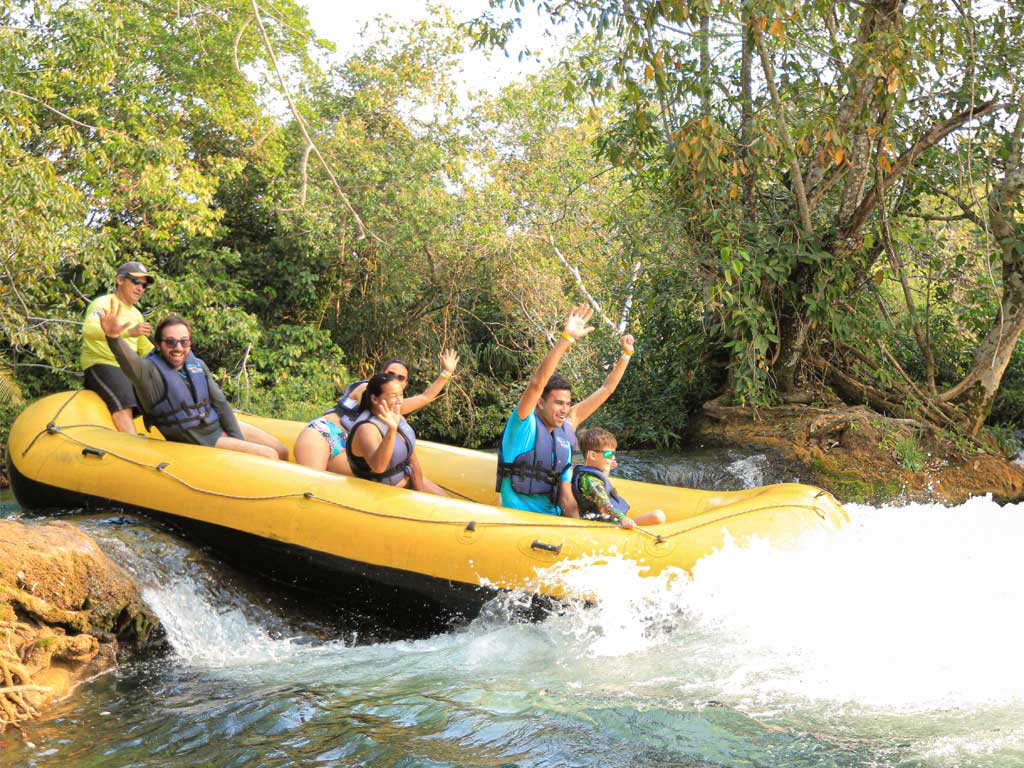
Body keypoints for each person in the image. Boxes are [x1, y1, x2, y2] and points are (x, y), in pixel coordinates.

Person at [496, 304, 636, 517]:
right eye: (558, 403)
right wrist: (566, 339)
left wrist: (626, 355)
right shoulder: (523, 424)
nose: (565, 410)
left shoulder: (565, 430)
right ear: (540, 403)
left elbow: (606, 390)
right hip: (521, 522)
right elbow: (536, 384)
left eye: (568, 404)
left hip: (556, 521)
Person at [97, 303, 284, 460]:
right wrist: (114, 338)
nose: (178, 348)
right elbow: (128, 361)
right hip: (200, 438)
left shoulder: (197, 366)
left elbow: (220, 404)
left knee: (282, 450)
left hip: (215, 425)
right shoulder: (147, 372)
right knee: (269, 455)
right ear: (158, 344)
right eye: (170, 342)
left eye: (183, 342)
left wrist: (237, 441)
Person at [294, 350, 458, 477]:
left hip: (347, 449)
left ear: (405, 384)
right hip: (324, 433)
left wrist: (446, 373)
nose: (394, 378)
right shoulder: (367, 390)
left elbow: (425, 397)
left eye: (400, 378)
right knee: (312, 484)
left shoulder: (394, 404)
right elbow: (396, 403)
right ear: (381, 374)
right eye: (390, 374)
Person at [80, 261, 155, 434]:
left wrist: (173, 359)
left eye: (144, 285)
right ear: (120, 280)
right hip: (103, 364)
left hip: (129, 369)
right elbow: (88, 330)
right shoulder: (104, 303)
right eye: (136, 282)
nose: (140, 289)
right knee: (124, 403)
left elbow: (146, 349)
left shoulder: (136, 314)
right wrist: (127, 332)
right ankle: (131, 446)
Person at [344, 372, 446, 496]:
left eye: (401, 395)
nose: (399, 401)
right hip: (379, 496)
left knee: (447, 501)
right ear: (375, 398)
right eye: (393, 395)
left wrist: (420, 494)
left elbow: (412, 459)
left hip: (407, 483)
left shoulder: (397, 415)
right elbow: (379, 467)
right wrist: (392, 429)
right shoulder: (367, 429)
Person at [571, 428, 666, 529]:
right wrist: (623, 519)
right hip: (604, 525)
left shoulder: (591, 477)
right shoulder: (590, 481)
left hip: (607, 520)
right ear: (593, 455)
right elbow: (605, 506)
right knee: (658, 516)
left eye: (614, 454)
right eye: (609, 454)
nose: (613, 458)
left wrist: (606, 469)